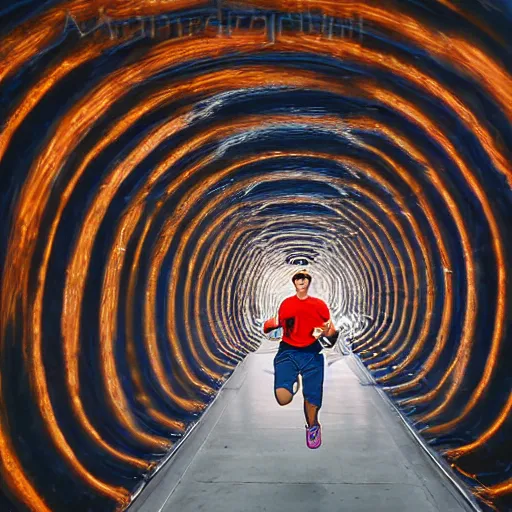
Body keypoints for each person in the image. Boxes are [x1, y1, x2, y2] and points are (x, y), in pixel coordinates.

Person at [263, 269, 337, 449]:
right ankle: (293, 380)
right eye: (298, 278)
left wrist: (328, 333)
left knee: (312, 396)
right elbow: (276, 324)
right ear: (294, 282)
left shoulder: (319, 304)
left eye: (304, 278)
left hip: (312, 353)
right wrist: (269, 326)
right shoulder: (286, 304)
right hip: (288, 351)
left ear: (308, 282)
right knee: (283, 399)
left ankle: (313, 426)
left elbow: (330, 328)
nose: (301, 281)